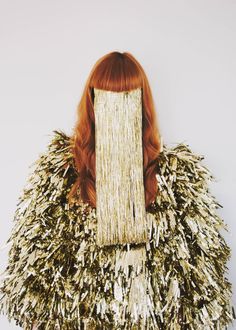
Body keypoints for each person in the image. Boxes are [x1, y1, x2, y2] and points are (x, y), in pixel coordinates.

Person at [0, 51, 235, 330]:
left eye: (128, 96)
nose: (118, 108)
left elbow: (202, 289)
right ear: (92, 101)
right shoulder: (59, 173)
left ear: (141, 102)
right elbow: (31, 282)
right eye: (108, 96)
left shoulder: (176, 177)